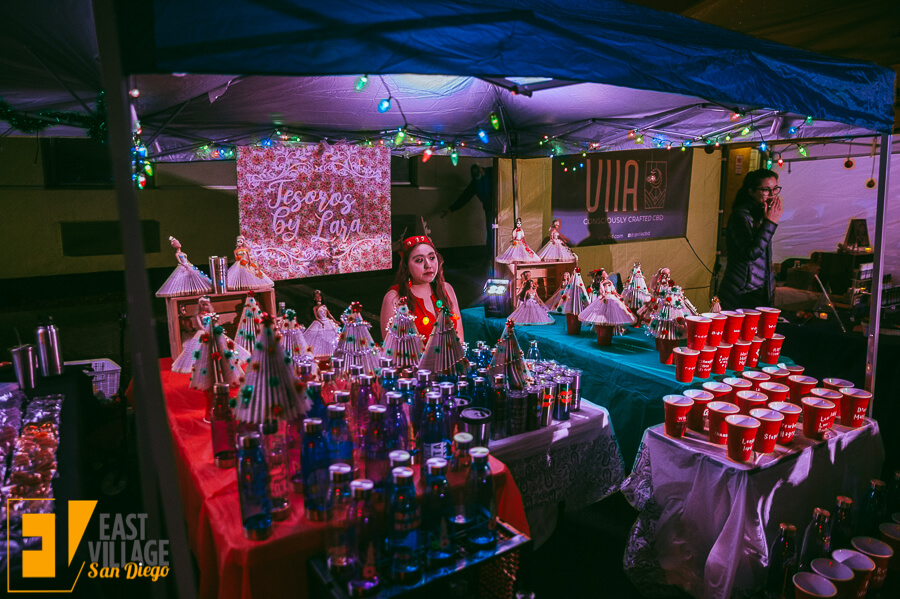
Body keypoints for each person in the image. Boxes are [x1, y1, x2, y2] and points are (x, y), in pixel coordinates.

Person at [719, 168, 785, 310]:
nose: (772, 195)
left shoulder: (761, 215)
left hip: (758, 291)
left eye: (775, 189)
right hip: (740, 293)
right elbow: (751, 253)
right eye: (766, 190)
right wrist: (770, 223)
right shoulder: (740, 216)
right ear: (751, 191)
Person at [380, 235, 464, 344]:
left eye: (432, 258)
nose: (428, 265)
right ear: (406, 266)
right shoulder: (394, 298)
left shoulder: (446, 288)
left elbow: (460, 340)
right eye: (419, 260)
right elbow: (392, 349)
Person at [441, 164, 494, 263]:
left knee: (494, 233)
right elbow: (465, 196)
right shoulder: (476, 182)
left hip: (499, 207)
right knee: (491, 234)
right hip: (490, 210)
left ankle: (493, 257)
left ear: (482, 169)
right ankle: (491, 257)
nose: (478, 176)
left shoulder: (492, 173)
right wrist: (451, 208)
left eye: (478, 174)